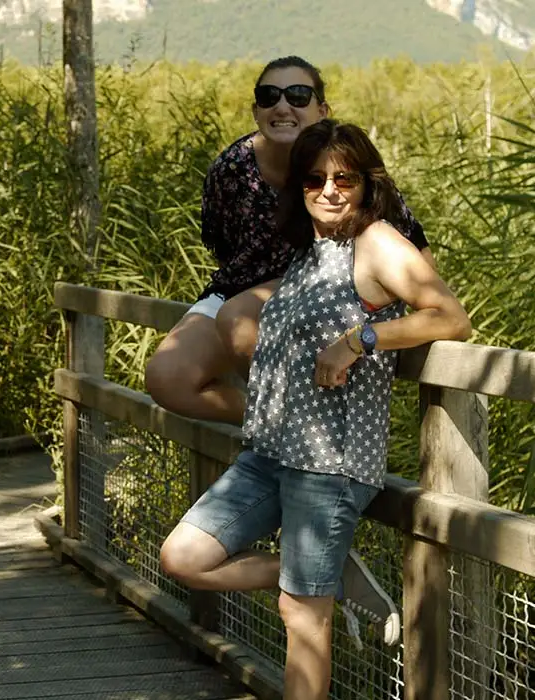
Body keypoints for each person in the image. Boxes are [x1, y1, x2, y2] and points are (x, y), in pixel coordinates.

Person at [158, 119, 472, 700]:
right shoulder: (309, 249)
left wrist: (361, 340)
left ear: (365, 182)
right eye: (314, 178)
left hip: (328, 464)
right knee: (182, 557)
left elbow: (450, 316)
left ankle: (318, 582)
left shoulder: (376, 243)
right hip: (270, 455)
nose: (329, 189)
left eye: (344, 177)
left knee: (303, 619)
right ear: (298, 186)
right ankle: (332, 577)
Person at [144, 56, 433, 425]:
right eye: (269, 96)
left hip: (328, 290)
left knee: (243, 319)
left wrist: (404, 317)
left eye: (298, 95)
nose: (283, 106)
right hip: (241, 293)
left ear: (322, 109)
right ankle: (283, 424)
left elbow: (414, 247)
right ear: (256, 110)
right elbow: (222, 243)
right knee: (168, 378)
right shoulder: (232, 169)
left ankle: (306, 435)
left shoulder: (346, 164)